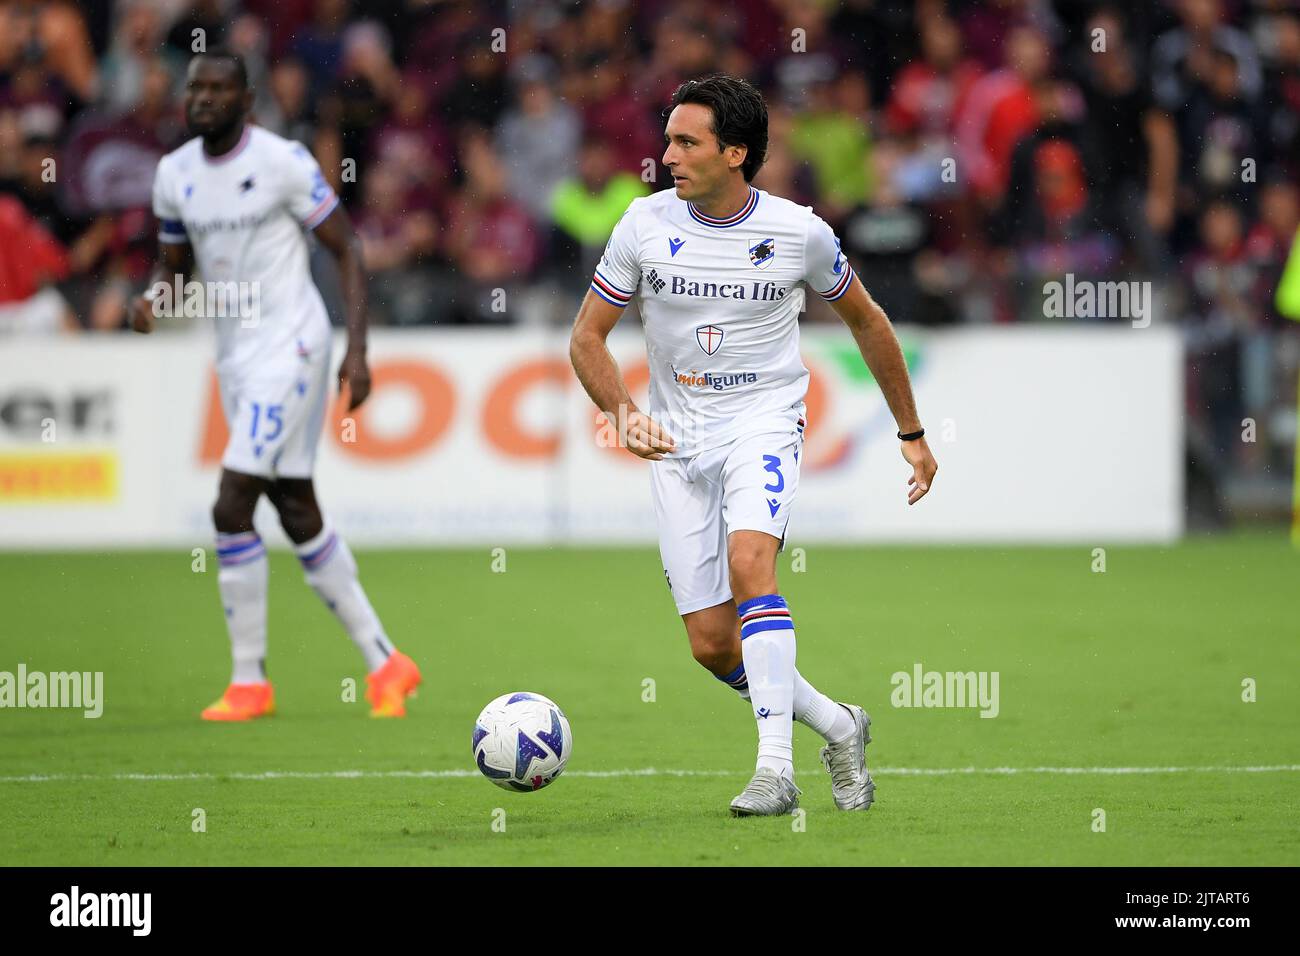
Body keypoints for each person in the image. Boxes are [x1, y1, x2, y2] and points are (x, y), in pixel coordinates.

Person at [569, 75, 938, 816]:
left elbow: (868, 323)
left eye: (686, 141)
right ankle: (840, 724)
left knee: (751, 566)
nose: (666, 154)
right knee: (711, 643)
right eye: (668, 137)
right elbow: (586, 339)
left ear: (735, 152)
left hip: (763, 420)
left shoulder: (801, 232)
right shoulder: (642, 226)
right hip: (677, 439)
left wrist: (912, 432)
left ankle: (775, 771)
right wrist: (621, 409)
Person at [131, 50, 420, 720]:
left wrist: (359, 350)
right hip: (234, 358)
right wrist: (153, 301)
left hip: (294, 346)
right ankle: (387, 664)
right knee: (295, 509)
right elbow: (174, 267)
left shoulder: (283, 162)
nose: (201, 98)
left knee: (232, 505)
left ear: (245, 98)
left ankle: (249, 682)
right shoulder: (174, 176)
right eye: (193, 88)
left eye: (216, 88)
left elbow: (346, 247)